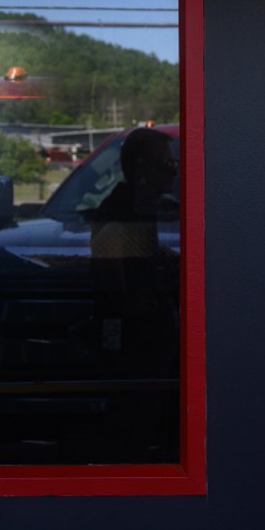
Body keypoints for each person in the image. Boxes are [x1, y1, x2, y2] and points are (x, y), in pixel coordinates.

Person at [91, 126, 180, 369]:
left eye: (175, 162)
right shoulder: (126, 209)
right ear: (142, 167)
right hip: (135, 339)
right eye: (167, 163)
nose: (174, 171)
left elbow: (130, 245)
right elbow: (106, 249)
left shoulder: (142, 205)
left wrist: (165, 256)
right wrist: (127, 302)